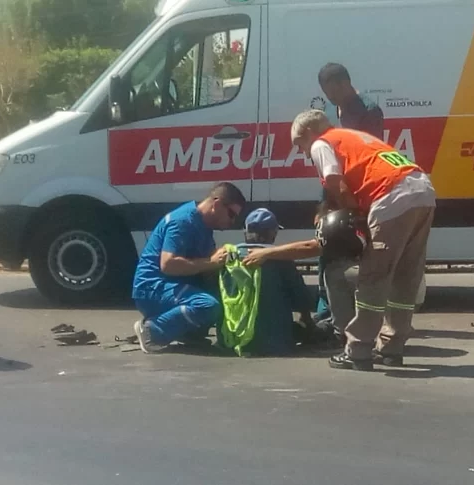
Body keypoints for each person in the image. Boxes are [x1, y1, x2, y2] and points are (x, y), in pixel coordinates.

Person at [244, 109, 436, 371]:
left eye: (299, 145)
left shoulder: (322, 142)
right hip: (422, 190)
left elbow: (336, 184)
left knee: (373, 276)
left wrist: (356, 219)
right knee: (405, 275)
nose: (301, 152)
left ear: (309, 134)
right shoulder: (355, 137)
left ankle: (358, 350)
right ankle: (392, 348)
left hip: (391, 196)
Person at [313, 63, 386, 344]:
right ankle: (326, 312)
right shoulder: (331, 112)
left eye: (333, 91)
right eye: (326, 93)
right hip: (333, 188)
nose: (331, 98)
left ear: (345, 83)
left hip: (355, 190)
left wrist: (354, 204)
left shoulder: (368, 111)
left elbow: (370, 154)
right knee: (324, 244)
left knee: (352, 252)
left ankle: (352, 318)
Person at [132, 182, 246, 354]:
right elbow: (168, 265)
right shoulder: (182, 221)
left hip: (174, 285)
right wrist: (211, 262)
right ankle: (152, 330)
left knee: (226, 294)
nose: (232, 221)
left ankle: (187, 332)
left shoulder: (204, 227)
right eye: (231, 214)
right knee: (208, 305)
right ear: (216, 204)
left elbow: (204, 266)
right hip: (152, 288)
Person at [219, 208, 319, 356]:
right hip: (275, 342)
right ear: (272, 233)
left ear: (245, 231)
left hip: (231, 340)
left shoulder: (227, 256)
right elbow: (301, 300)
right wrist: (309, 325)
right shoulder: (281, 258)